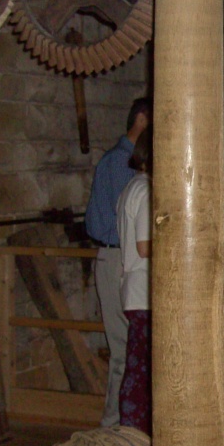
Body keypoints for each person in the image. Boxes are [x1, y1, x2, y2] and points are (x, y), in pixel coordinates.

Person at [85, 97, 152, 427]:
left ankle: (123, 424)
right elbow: (133, 231)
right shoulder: (121, 165)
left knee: (132, 350)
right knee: (125, 350)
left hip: (122, 257)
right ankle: (114, 427)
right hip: (118, 258)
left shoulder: (126, 167)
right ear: (142, 119)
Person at [116, 125, 153, 433]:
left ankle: (135, 430)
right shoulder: (146, 190)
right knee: (141, 369)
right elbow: (145, 247)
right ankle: (134, 431)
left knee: (139, 367)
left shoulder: (133, 186)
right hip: (143, 291)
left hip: (136, 289)